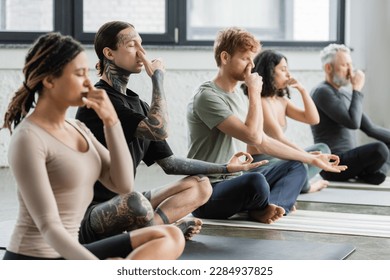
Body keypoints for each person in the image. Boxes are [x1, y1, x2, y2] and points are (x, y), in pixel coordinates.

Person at [1, 32, 184, 260]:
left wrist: (112, 122)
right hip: (36, 258)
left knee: (170, 237)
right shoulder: (29, 138)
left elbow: (123, 184)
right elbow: (50, 228)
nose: (89, 82)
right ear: (49, 80)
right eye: (79, 74)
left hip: (73, 252)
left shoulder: (78, 128)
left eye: (87, 73)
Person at [76, 21, 263, 242]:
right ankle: (154, 232)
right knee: (136, 203)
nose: (142, 52)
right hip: (91, 214)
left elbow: (170, 163)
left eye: (142, 44)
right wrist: (158, 78)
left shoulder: (140, 105)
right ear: (109, 53)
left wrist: (226, 168)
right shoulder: (99, 99)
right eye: (132, 45)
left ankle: (146, 232)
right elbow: (159, 129)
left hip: (127, 202)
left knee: (201, 185)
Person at [187, 27, 347, 221]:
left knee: (295, 166)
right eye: (246, 58)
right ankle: (262, 205)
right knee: (256, 181)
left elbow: (263, 141)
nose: (251, 65)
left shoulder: (237, 94)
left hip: (236, 179)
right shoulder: (207, 97)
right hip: (207, 191)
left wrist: (310, 159)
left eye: (252, 59)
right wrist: (254, 92)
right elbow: (252, 136)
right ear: (225, 57)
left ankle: (269, 207)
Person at [245, 49, 331, 193]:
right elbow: (278, 137)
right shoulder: (261, 101)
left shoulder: (281, 101)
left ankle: (293, 182)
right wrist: (308, 158)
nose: (288, 74)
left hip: (282, 157)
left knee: (322, 150)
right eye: (283, 69)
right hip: (264, 163)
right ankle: (306, 187)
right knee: (299, 164)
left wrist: (302, 90)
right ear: (270, 72)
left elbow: (313, 119)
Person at [310, 43, 390, 185]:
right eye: (345, 65)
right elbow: (353, 123)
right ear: (328, 68)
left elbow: (371, 129)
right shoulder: (322, 92)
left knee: (386, 143)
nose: (350, 71)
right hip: (333, 165)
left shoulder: (346, 94)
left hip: (350, 161)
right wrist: (357, 89)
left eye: (350, 65)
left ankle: (369, 173)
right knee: (380, 149)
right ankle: (369, 173)